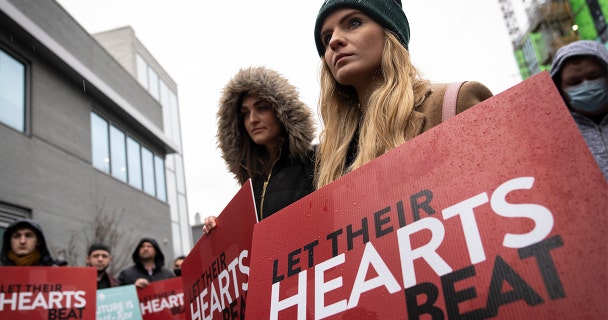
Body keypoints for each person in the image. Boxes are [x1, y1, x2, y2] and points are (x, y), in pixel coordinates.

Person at [312, 0, 493, 188]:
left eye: (354, 23)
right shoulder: (330, 155)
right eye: (326, 38)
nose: (334, 41)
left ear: (390, 33)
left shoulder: (456, 102)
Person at [203, 66, 317, 232]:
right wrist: (219, 228)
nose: (252, 119)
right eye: (244, 113)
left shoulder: (315, 160)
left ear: (281, 111)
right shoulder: (250, 183)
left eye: (262, 108)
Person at [0, 219, 60, 320]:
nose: (22, 241)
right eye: (16, 236)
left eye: (28, 235)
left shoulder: (54, 274)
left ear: (38, 241)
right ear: (9, 241)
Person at [550, 40, 608, 181]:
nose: (586, 84)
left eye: (593, 77)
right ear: (559, 88)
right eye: (574, 82)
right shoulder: (554, 137)